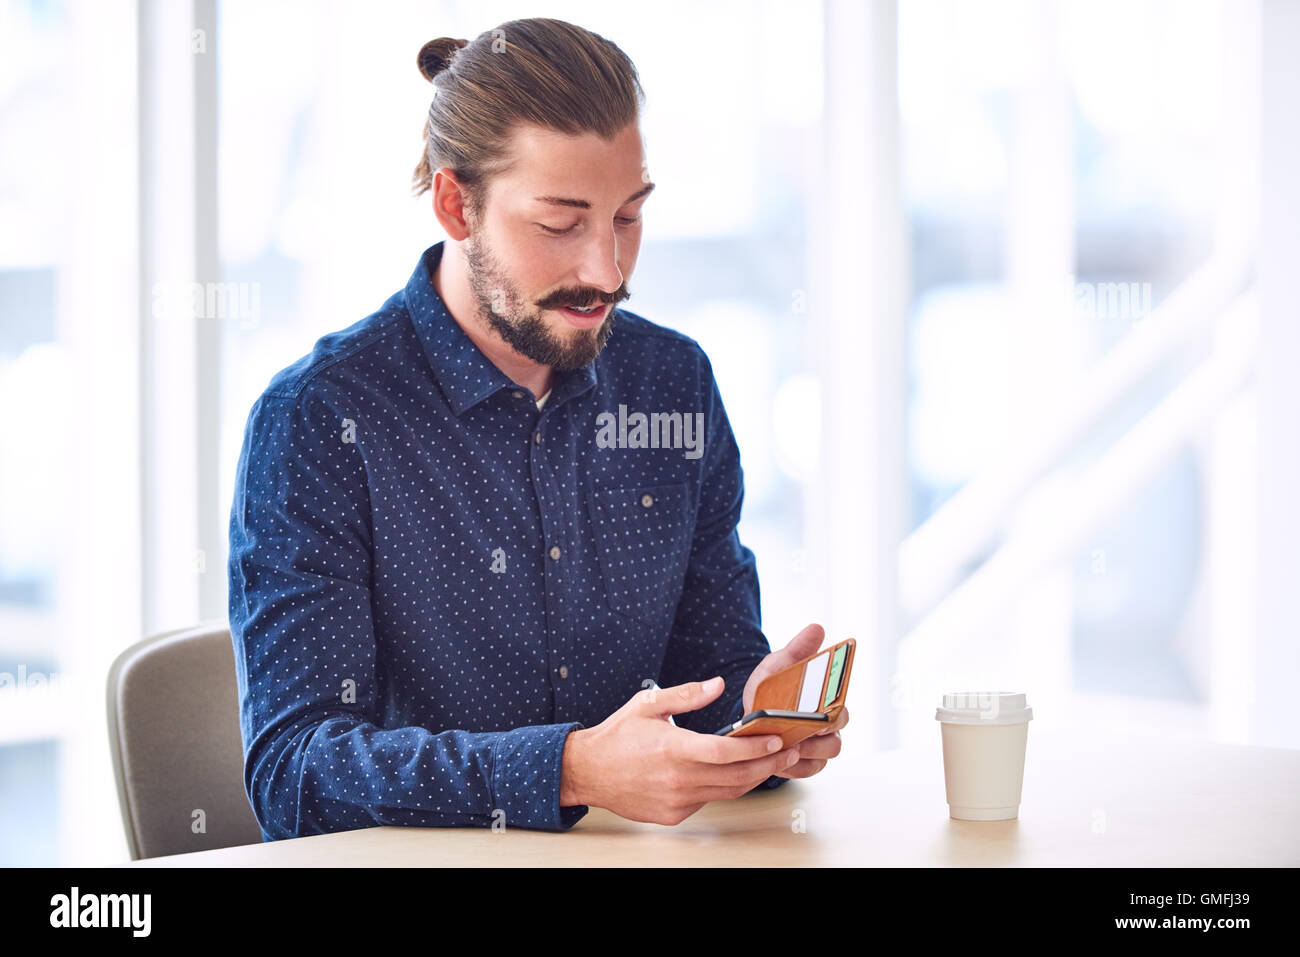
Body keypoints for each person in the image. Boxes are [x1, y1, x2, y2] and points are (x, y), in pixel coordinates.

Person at [227, 17, 847, 840]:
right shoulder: (321, 420)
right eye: (561, 224)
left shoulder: (674, 383)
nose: (607, 270)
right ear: (456, 203)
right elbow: (296, 771)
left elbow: (708, 680)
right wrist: (570, 768)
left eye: (627, 216)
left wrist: (757, 725)